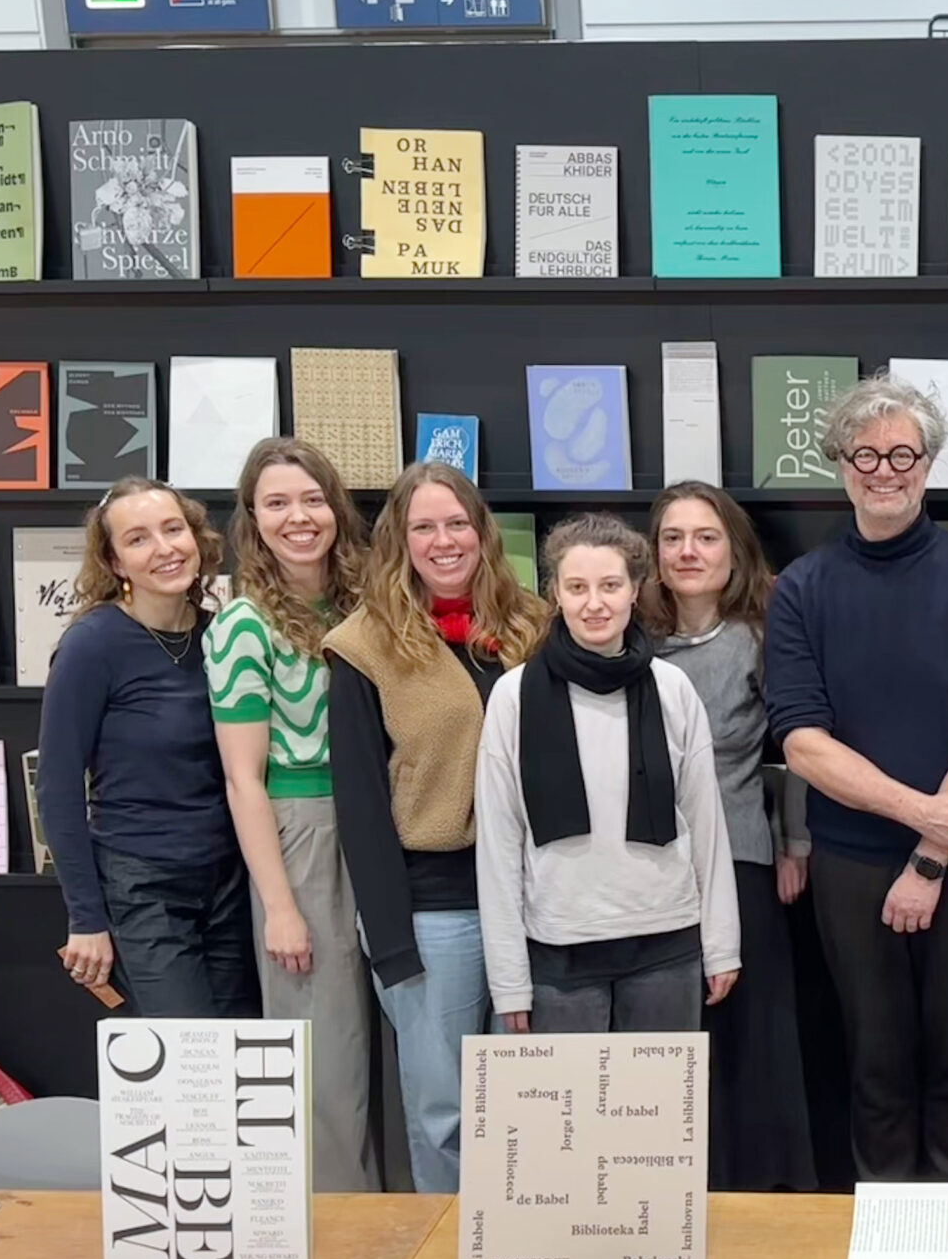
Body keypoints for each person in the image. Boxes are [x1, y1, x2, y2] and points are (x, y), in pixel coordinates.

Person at [766, 372, 948, 1180]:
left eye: (903, 454)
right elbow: (803, 743)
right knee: (874, 1067)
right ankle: (889, 1244)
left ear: (929, 462)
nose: (886, 470)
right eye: (867, 455)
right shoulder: (802, 589)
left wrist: (931, 857)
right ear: (840, 464)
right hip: (851, 863)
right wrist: (924, 817)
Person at [325, 463, 545, 1193]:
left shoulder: (535, 629)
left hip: (532, 903)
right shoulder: (364, 645)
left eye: (457, 523)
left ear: (483, 532)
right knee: (445, 1109)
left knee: (524, 1104)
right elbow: (357, 800)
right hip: (432, 909)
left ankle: (520, 1247)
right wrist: (390, 940)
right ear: (399, 539)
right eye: (424, 526)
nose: (443, 540)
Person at [478, 515, 741, 1038]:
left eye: (610, 585)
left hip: (667, 944)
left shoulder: (672, 688)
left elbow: (706, 824)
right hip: (558, 951)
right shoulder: (513, 696)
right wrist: (508, 980)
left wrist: (722, 944)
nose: (594, 603)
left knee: (661, 1117)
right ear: (554, 592)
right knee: (566, 1121)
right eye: (577, 587)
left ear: (635, 590)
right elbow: (499, 843)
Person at [206, 437, 375, 1192]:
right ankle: (344, 1228)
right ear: (252, 518)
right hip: (302, 835)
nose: (298, 518)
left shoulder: (362, 601)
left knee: (387, 1043)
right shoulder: (242, 626)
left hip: (380, 822)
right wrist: (280, 907)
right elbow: (244, 781)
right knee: (326, 1050)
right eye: (277, 503)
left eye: (311, 499)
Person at [640, 482, 817, 1191]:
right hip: (648, 867)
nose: (689, 552)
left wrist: (794, 841)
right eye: (674, 538)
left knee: (752, 1039)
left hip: (743, 857)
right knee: (678, 1043)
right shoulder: (627, 639)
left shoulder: (764, 636)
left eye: (706, 537)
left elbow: (801, 744)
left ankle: (765, 1195)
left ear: (734, 549)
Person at [39, 476, 254, 1017]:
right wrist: (85, 918)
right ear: (114, 563)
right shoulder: (93, 645)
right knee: (186, 1061)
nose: (164, 549)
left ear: (196, 538)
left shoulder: (222, 635)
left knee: (238, 1059)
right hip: (144, 885)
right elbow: (58, 787)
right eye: (138, 539)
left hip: (231, 882)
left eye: (172, 529)